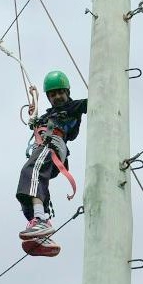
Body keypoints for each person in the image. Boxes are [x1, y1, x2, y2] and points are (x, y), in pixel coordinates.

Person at [16, 70, 87, 257]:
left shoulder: (73, 107)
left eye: (60, 92)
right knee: (32, 190)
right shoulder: (50, 113)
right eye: (53, 94)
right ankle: (40, 228)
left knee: (30, 172)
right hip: (44, 145)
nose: (57, 97)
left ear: (67, 92)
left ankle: (40, 220)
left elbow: (91, 103)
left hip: (53, 144)